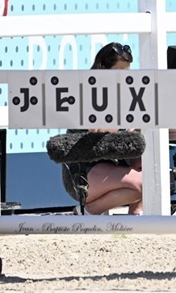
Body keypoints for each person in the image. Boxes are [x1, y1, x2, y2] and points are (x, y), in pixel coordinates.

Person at [59, 42, 144, 215]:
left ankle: (136, 216)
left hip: (111, 166)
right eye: (118, 73)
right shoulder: (89, 94)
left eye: (127, 73)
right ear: (102, 69)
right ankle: (88, 211)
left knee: (147, 162)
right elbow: (97, 131)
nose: (125, 78)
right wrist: (125, 131)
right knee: (145, 183)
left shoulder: (128, 95)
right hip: (83, 172)